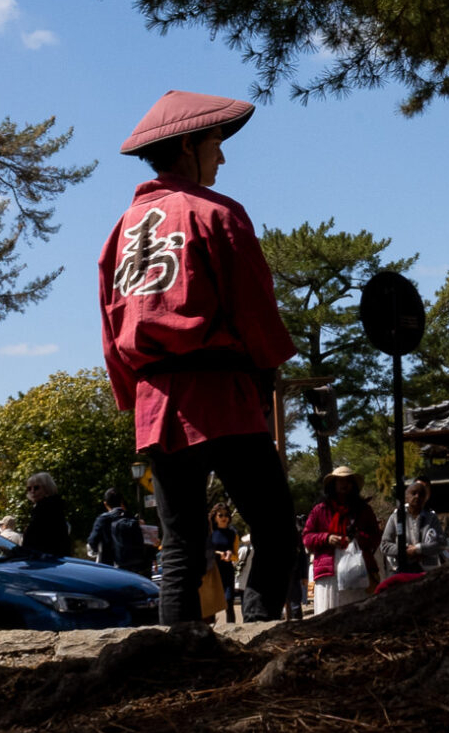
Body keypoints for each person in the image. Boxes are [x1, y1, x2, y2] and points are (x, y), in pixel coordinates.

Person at [99, 90, 300, 625]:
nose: (223, 156)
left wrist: (133, 399)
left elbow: (110, 320)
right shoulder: (216, 213)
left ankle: (177, 667)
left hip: (156, 403)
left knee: (181, 545)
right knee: (277, 530)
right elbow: (255, 309)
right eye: (215, 141)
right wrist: (266, 376)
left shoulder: (120, 231)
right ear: (188, 143)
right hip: (220, 393)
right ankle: (257, 640)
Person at [303, 465, 382, 612]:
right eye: (340, 480)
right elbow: (307, 538)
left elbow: (375, 537)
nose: (344, 484)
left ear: (353, 484)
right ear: (333, 484)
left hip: (359, 569)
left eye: (348, 480)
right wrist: (326, 538)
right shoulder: (320, 510)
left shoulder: (364, 510)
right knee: (329, 612)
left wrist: (359, 538)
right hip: (329, 574)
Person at [381, 477, 449, 577]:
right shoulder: (396, 517)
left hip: (427, 573)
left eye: (421, 494)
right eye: (414, 493)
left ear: (426, 497)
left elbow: (441, 543)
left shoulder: (431, 517)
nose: (417, 496)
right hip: (401, 572)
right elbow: (384, 545)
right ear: (406, 496)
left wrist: (418, 549)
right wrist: (404, 550)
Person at [87, 487, 154, 576]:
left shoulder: (103, 520)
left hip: (109, 570)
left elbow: (92, 543)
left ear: (105, 504)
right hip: (134, 570)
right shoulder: (132, 518)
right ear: (121, 502)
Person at [23, 472, 73, 559]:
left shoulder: (45, 509)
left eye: (36, 487)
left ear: (47, 488)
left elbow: (34, 539)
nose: (32, 491)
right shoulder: (53, 506)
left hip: (46, 561)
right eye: (29, 488)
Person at [207, 503, 240, 623]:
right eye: (220, 515)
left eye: (226, 515)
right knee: (211, 604)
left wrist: (231, 555)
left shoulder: (233, 534)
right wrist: (218, 553)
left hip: (227, 571)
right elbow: (205, 550)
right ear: (215, 516)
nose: (224, 517)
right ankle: (210, 630)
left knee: (229, 601)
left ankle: (232, 628)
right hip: (212, 571)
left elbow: (236, 556)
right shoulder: (210, 532)